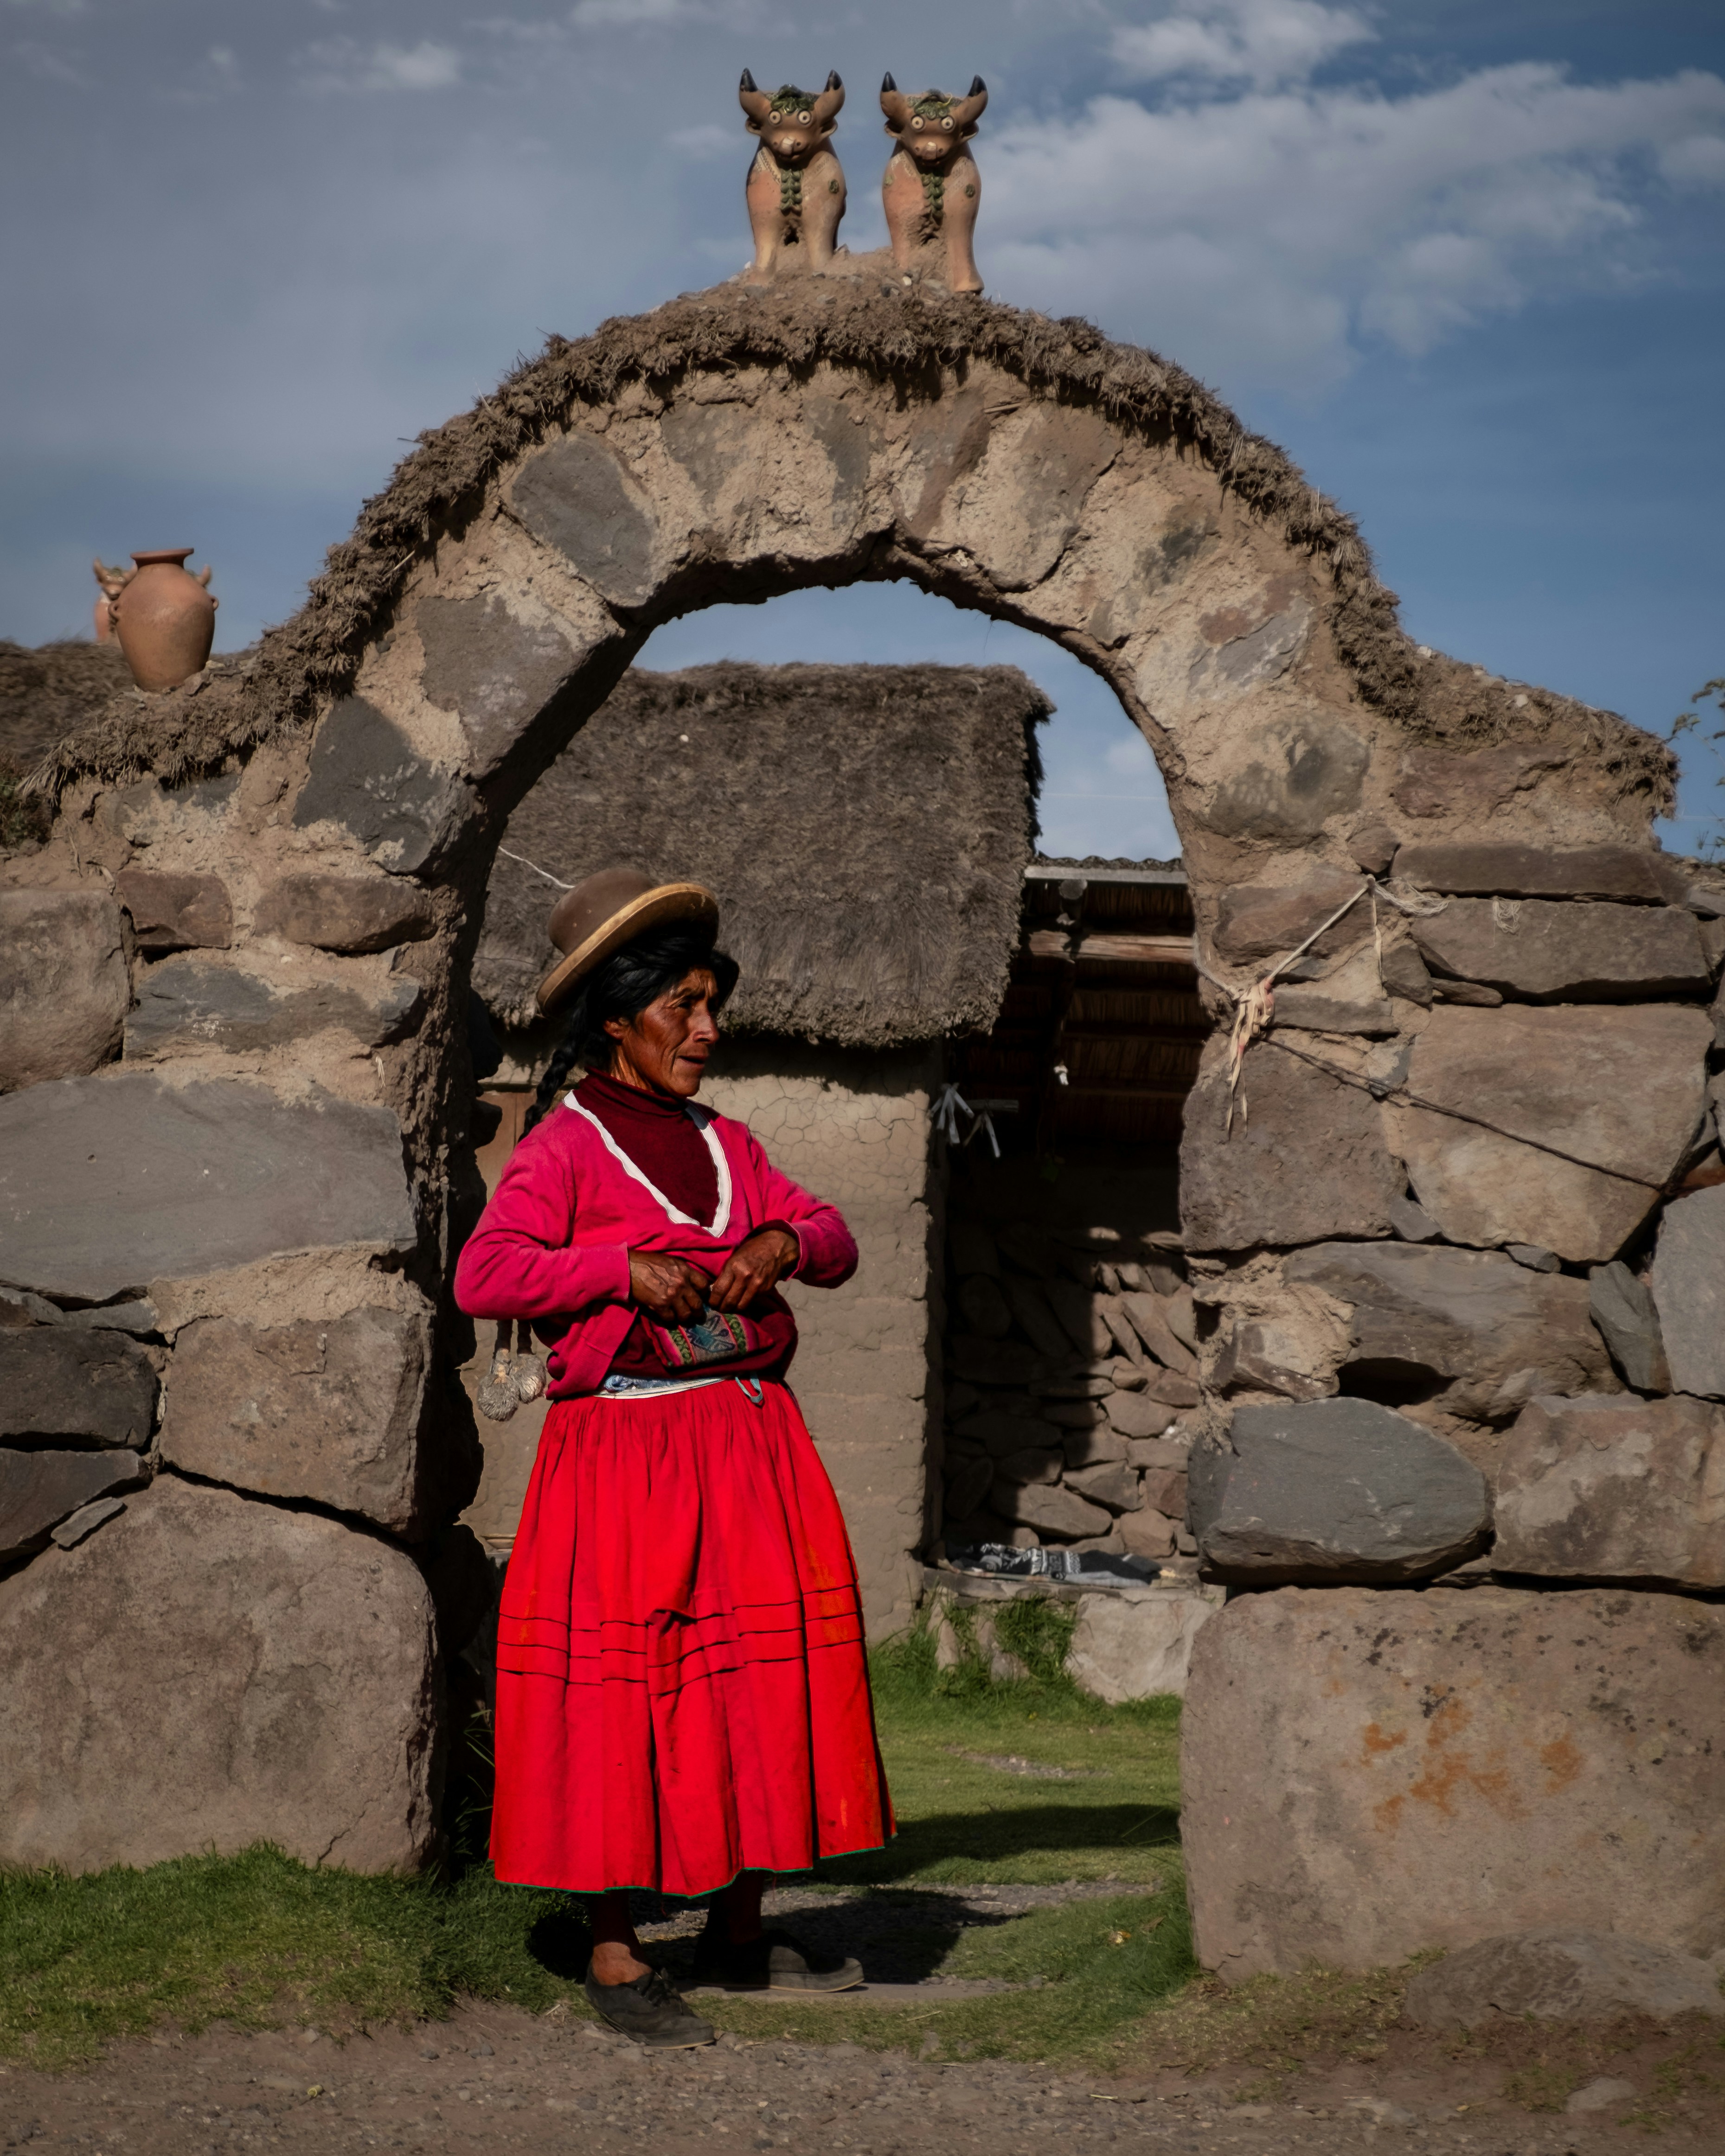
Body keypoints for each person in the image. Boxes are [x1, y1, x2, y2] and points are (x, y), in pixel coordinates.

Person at [455, 867, 893, 2049]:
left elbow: (839, 1240)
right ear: (616, 1017)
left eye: (711, 1005)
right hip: (627, 1457)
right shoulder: (563, 1150)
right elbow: (485, 1275)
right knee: (631, 1690)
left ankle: (741, 1932)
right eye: (683, 1009)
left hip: (748, 1447)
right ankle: (613, 1948)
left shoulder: (729, 1144)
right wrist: (618, 1270)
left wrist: (777, 1236)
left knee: (755, 1682)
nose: (709, 1031)